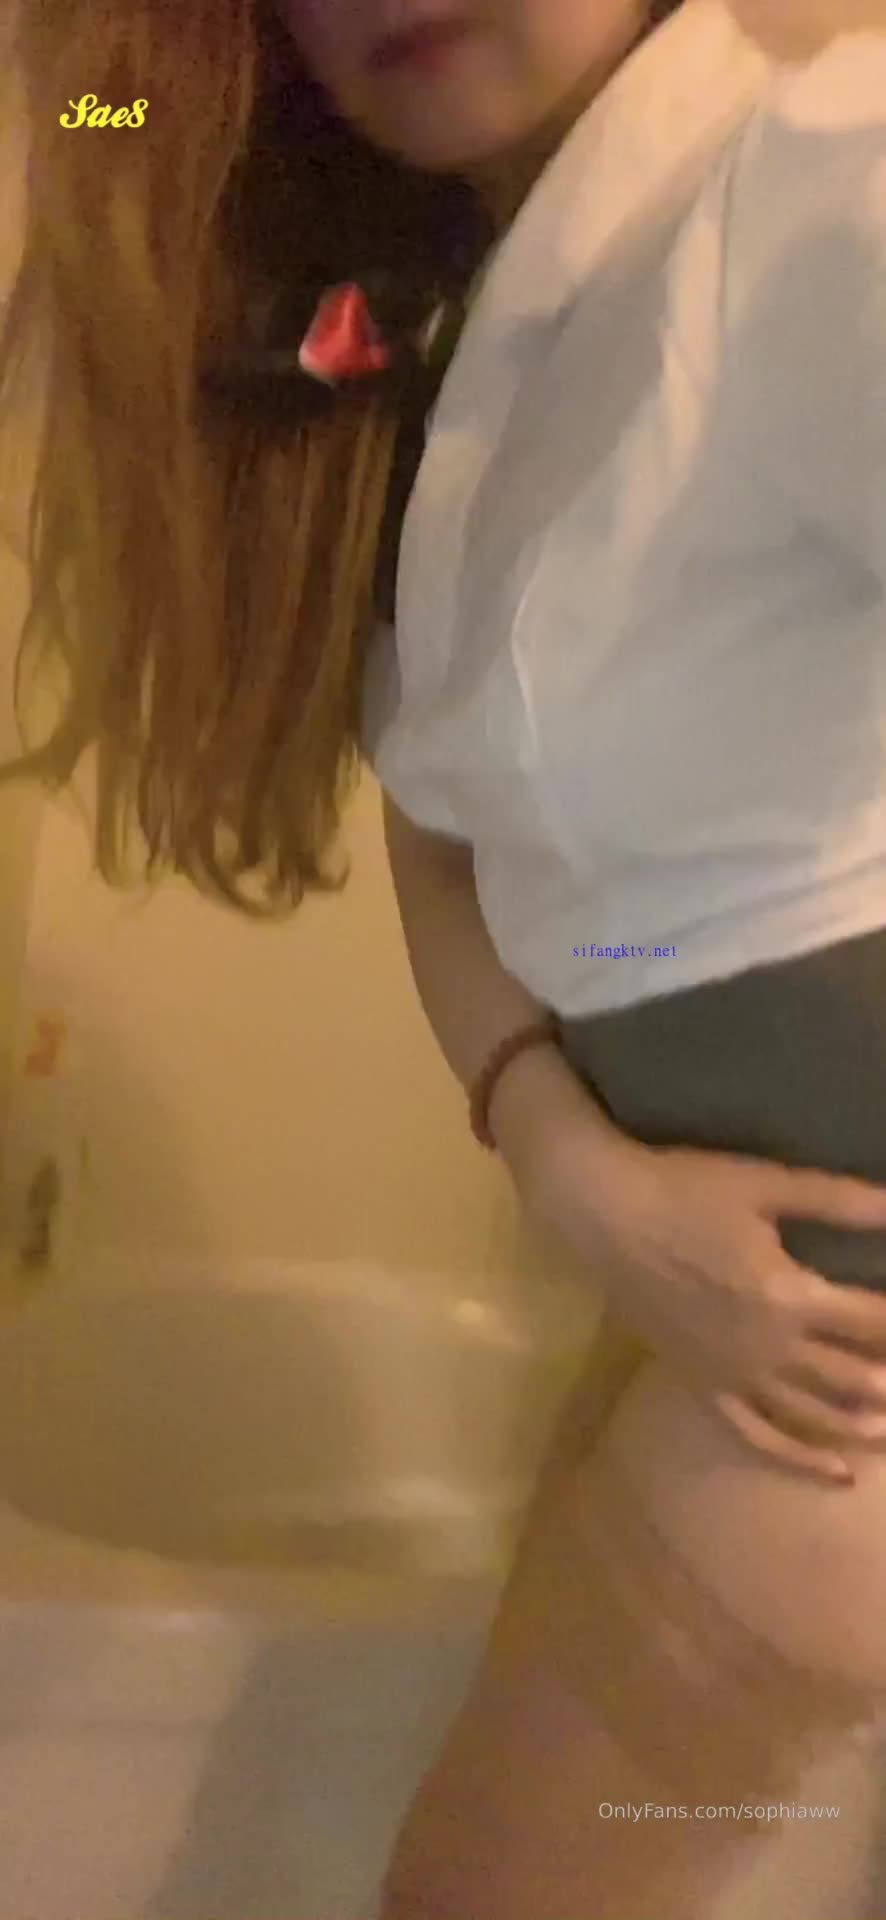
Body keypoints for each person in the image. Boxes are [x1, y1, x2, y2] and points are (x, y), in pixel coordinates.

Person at [5, 1, 886, 1913]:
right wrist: (563, 1150)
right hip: (693, 1332)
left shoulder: (822, 179)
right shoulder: (475, 330)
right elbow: (453, 825)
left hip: (817, 1428)